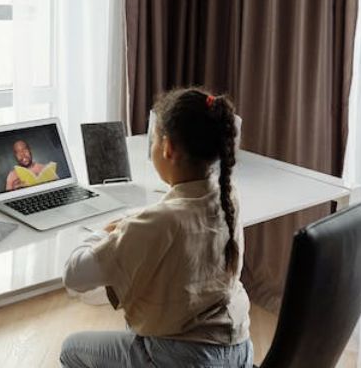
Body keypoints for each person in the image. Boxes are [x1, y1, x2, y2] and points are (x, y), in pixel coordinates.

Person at [60, 88, 253, 367]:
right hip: (238, 350)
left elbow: (74, 275)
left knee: (71, 349)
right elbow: (177, 219)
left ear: (167, 148)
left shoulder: (157, 224)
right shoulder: (229, 196)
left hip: (186, 360)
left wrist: (103, 232)